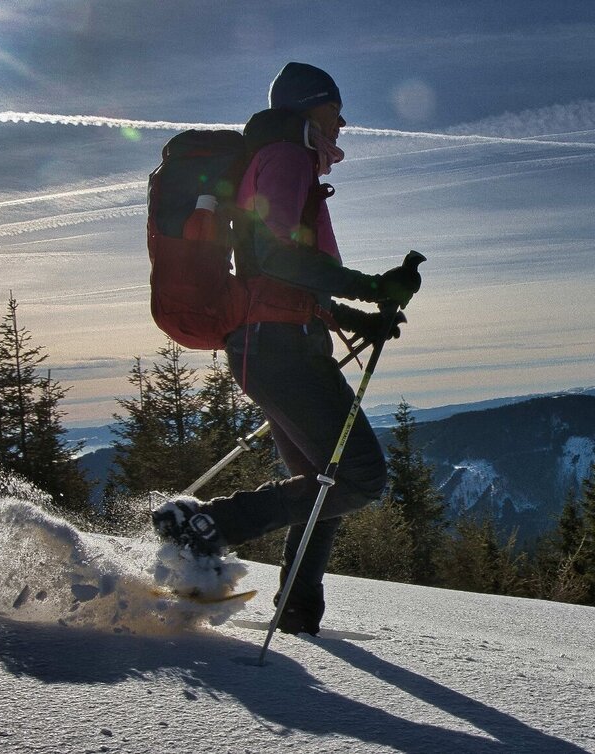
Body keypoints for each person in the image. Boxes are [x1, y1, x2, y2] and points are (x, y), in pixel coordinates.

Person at [152, 62, 420, 635]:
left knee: (324, 482)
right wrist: (372, 288)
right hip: (277, 348)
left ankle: (298, 612)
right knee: (358, 479)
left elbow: (274, 275)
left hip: (278, 341)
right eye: (333, 109)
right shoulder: (287, 155)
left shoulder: (283, 158)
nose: (342, 121)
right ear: (307, 107)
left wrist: (353, 317)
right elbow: (275, 257)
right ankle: (204, 527)